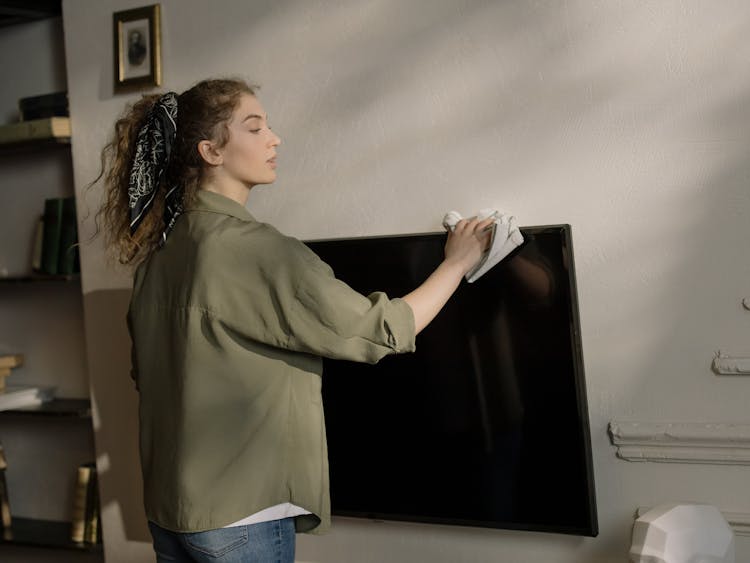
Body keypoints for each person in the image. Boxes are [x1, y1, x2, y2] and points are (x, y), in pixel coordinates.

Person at [95, 77, 494, 563]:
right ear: (211, 151)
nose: (274, 138)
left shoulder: (157, 259)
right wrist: (457, 263)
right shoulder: (258, 251)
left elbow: (151, 376)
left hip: (170, 514)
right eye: (254, 127)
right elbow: (380, 330)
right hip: (242, 516)